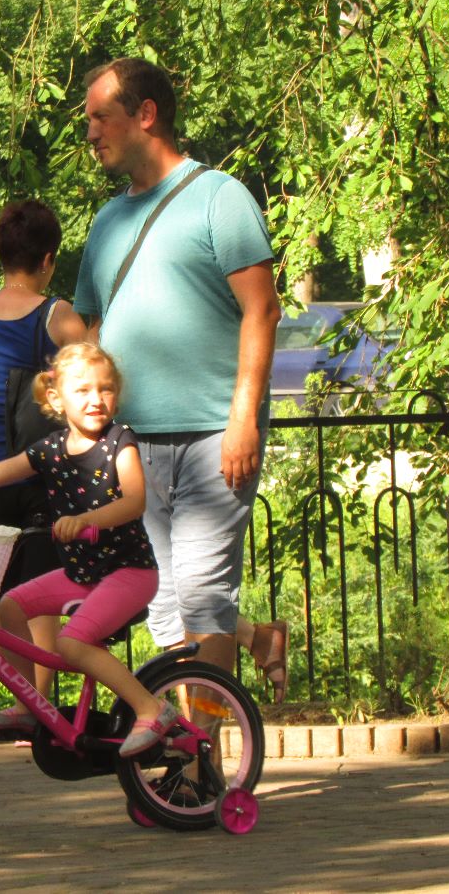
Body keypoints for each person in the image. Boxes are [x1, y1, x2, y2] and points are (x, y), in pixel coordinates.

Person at [73, 58, 287, 697]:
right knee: (163, 604)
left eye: (100, 117)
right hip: (132, 444)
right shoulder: (106, 221)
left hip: (213, 436)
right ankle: (190, 743)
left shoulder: (220, 197)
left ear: (146, 114)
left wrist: (243, 419)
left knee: (202, 596)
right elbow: (93, 333)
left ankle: (204, 750)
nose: (90, 133)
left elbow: (262, 309)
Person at [0, 343, 177, 757]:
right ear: (56, 399)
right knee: (11, 606)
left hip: (129, 573)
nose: (96, 399)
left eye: (106, 389)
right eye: (83, 390)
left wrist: (87, 519)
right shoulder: (51, 450)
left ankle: (151, 707)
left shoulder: (121, 442)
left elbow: (134, 501)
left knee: (71, 643)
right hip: (83, 573)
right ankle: (31, 704)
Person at [0, 199, 87, 743]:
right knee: (39, 597)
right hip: (40, 475)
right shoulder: (56, 315)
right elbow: (93, 381)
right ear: (48, 259)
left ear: (2, 253)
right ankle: (39, 710)